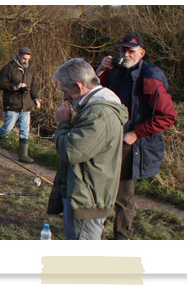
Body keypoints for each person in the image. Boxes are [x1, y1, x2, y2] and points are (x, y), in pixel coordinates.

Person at [95, 33, 177, 240]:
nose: (126, 54)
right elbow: (94, 93)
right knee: (101, 190)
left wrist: (135, 133)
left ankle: (122, 239)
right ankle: (95, 234)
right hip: (106, 139)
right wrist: (100, 70)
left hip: (130, 144)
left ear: (141, 53)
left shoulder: (151, 77)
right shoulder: (113, 71)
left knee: (122, 197)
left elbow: (167, 116)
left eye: (131, 51)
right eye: (123, 50)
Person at [48, 58, 128, 240]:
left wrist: (63, 124)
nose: (64, 97)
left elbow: (71, 152)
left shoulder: (99, 114)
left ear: (78, 87)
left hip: (87, 201)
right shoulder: (96, 109)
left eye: (64, 91)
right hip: (87, 196)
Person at [0, 47, 41, 163]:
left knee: (24, 130)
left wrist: (36, 99)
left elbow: (33, 87)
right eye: (24, 59)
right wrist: (15, 87)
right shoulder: (8, 68)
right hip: (12, 104)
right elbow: (0, 84)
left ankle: (23, 155)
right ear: (18, 55)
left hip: (26, 105)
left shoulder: (30, 70)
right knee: (7, 128)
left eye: (28, 59)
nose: (25, 61)